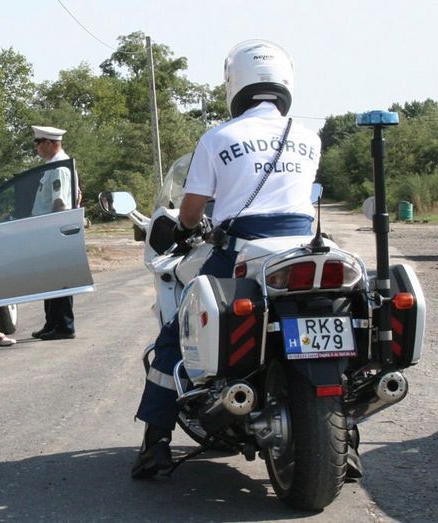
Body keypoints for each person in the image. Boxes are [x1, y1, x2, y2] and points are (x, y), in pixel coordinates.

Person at [130, 39, 353, 479]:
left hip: (243, 250)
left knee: (172, 339)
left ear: (234, 84)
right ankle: (350, 441)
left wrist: (183, 228)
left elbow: (192, 211)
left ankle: (155, 444)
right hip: (304, 248)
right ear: (285, 82)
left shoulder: (218, 137)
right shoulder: (309, 137)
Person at [29, 125, 79, 341]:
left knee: (59, 279)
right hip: (46, 229)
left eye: (38, 143)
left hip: (54, 228)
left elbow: (60, 202)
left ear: (49, 143)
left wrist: (57, 233)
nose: (36, 148)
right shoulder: (54, 165)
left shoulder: (59, 167)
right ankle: (51, 323)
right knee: (49, 279)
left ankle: (64, 326)